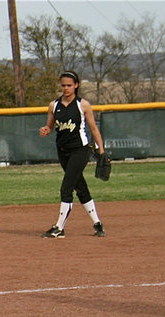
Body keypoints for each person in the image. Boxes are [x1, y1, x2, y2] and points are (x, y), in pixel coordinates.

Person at [38, 71, 106, 238]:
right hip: (63, 151)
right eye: (63, 85)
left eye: (69, 85)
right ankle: (97, 224)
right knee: (80, 187)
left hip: (80, 150)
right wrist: (46, 129)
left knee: (66, 187)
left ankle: (59, 228)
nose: (66, 88)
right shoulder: (54, 105)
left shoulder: (83, 105)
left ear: (76, 85)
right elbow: (50, 125)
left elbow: (93, 128)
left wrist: (102, 150)